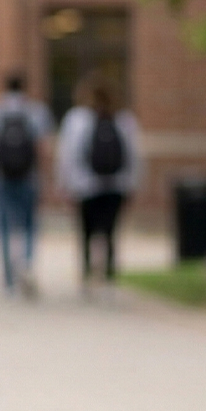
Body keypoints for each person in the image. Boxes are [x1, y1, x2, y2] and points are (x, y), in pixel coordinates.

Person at [57, 74, 142, 285]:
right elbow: (134, 156)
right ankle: (109, 272)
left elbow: (67, 155)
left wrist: (65, 185)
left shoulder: (76, 119)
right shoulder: (125, 120)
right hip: (116, 184)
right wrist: (132, 184)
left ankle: (87, 271)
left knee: (86, 231)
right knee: (110, 230)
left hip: (85, 185)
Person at [0, 71, 53, 295]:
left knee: (4, 228)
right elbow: (43, 149)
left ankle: (9, 281)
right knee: (29, 225)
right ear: (24, 87)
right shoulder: (36, 112)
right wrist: (46, 179)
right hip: (29, 177)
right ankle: (26, 266)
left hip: (1, 177)